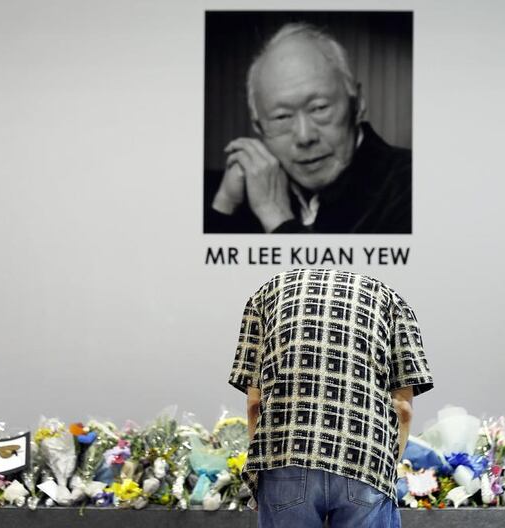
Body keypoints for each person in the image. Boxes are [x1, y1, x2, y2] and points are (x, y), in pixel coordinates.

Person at [228, 269, 434, 527]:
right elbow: (403, 408)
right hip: (364, 456)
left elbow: (254, 404)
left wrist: (261, 466)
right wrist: (386, 471)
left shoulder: (266, 295)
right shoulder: (390, 301)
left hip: (285, 453)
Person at [205, 23, 412, 234]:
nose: (304, 137)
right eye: (282, 117)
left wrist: (277, 218)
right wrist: (225, 204)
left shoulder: (411, 186)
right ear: (259, 126)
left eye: (319, 108)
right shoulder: (241, 191)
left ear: (357, 104)